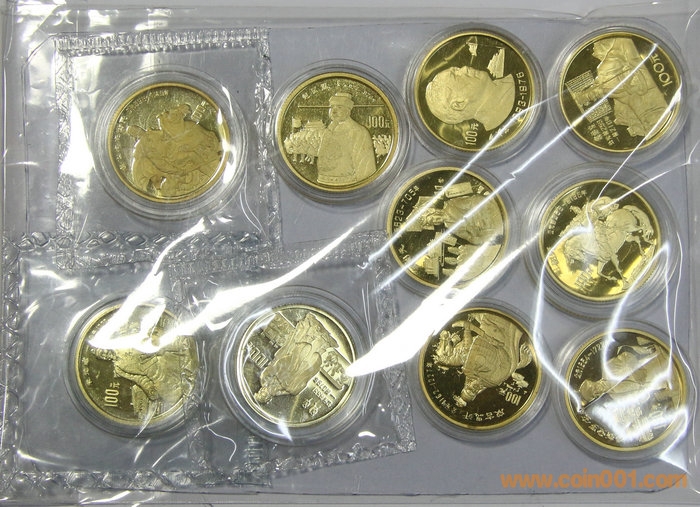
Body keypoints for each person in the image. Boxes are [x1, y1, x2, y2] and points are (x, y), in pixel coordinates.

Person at [571, 37, 668, 138]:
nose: (594, 53)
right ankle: (648, 124)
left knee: (636, 106)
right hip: (631, 90)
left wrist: (630, 82)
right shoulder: (609, 66)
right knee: (634, 105)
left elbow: (630, 68)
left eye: (595, 48)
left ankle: (649, 124)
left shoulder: (616, 55)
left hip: (634, 89)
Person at [128, 103, 221, 197]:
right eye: (134, 131)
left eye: (136, 129)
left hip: (174, 153)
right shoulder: (143, 145)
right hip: (171, 159)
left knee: (191, 154)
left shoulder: (153, 133)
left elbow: (165, 137)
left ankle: (207, 166)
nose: (137, 130)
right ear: (135, 135)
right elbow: (157, 159)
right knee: (190, 156)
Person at [425, 66, 516, 131]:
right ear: (459, 104)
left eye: (457, 69)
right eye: (456, 76)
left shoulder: (507, 85)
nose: (465, 68)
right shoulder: (502, 110)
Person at [316, 92, 376, 186]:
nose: (334, 111)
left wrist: (361, 187)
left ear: (348, 111)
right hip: (322, 183)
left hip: (348, 184)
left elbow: (365, 166)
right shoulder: (327, 131)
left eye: (339, 107)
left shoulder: (358, 131)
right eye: (332, 107)